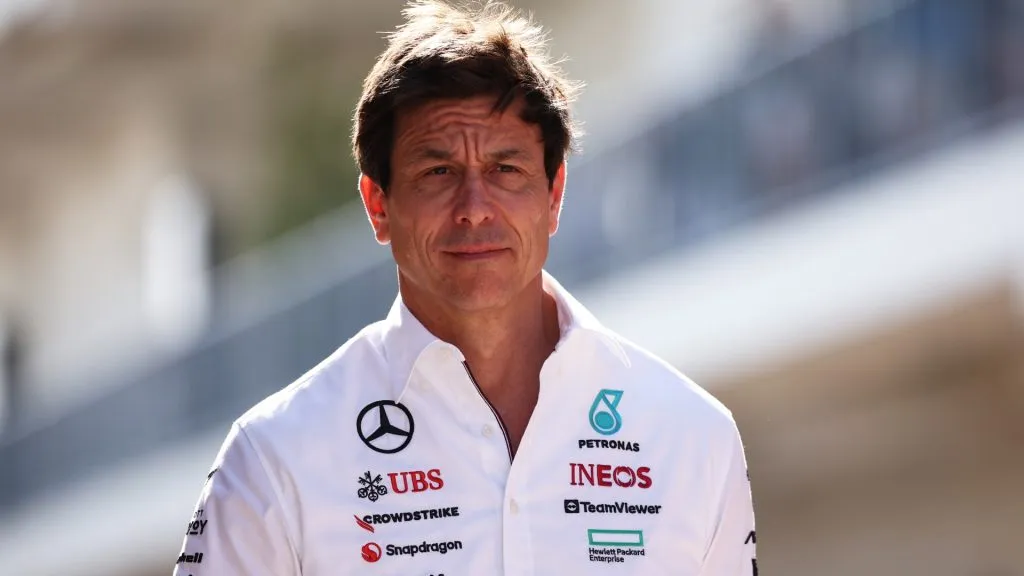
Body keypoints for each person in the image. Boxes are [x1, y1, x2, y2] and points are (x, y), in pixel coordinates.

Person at [172, 1, 757, 574]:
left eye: (506, 170)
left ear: (553, 196)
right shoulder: (272, 460)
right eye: (437, 172)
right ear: (378, 205)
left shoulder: (694, 436)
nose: (475, 209)